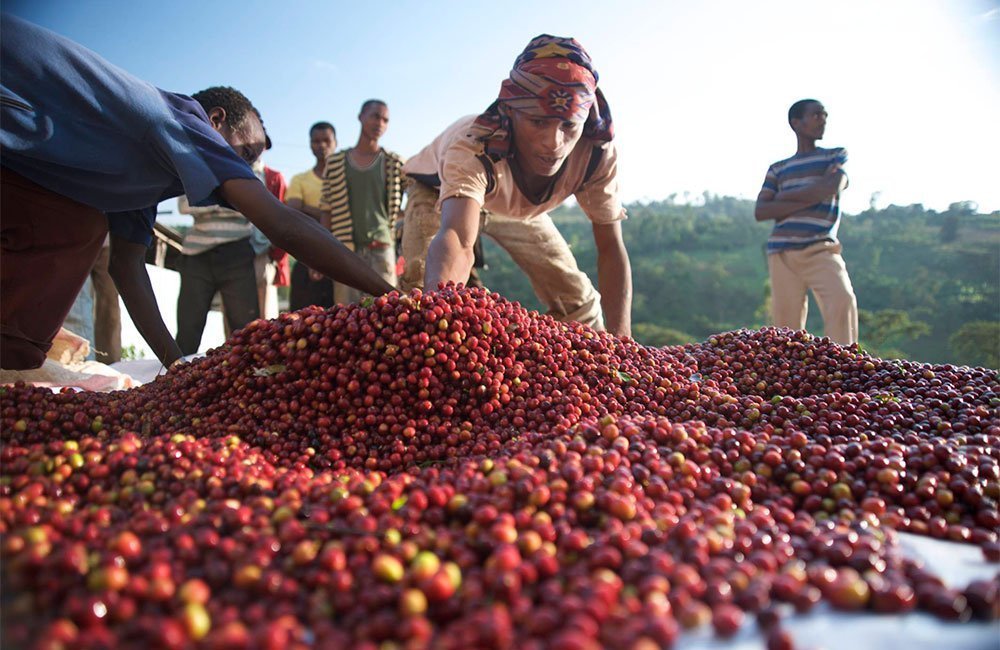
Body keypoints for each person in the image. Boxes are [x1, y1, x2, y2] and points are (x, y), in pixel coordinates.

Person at [0, 15, 394, 370]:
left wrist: (175, 368)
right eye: (246, 153)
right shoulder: (181, 120)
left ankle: (12, 355)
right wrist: (392, 296)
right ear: (216, 122)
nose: (248, 169)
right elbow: (282, 224)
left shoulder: (142, 176)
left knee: (80, 226)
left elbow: (127, 266)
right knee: (73, 227)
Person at [400, 34, 633, 337]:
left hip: (514, 205)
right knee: (420, 296)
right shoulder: (475, 143)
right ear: (510, 110)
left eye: (568, 125)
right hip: (440, 194)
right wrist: (438, 322)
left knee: (577, 300)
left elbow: (611, 248)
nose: (553, 143)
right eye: (537, 122)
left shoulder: (595, 153)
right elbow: (457, 237)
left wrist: (622, 344)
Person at [754, 99, 858, 345]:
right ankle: (788, 376)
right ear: (796, 123)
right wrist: (814, 194)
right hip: (783, 252)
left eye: (824, 114)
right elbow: (761, 210)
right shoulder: (778, 168)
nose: (822, 119)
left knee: (842, 301)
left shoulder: (835, 155)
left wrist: (784, 199)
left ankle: (843, 367)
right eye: (816, 114)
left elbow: (833, 186)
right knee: (785, 325)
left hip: (820, 248)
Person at [320, 100, 405, 305]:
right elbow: (326, 210)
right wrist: (322, 253)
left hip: (382, 250)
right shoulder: (336, 162)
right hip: (345, 252)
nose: (380, 123)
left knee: (386, 314)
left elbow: (414, 198)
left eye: (385, 120)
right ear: (361, 116)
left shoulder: (393, 163)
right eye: (375, 116)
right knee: (345, 316)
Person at [285, 122, 338, 311]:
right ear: (310, 144)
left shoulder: (344, 179)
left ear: (335, 143)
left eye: (326, 140)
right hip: (307, 257)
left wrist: (311, 211)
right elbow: (293, 214)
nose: (321, 145)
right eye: (316, 141)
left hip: (341, 258)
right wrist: (330, 212)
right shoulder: (300, 179)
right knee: (302, 319)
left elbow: (302, 211)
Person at [63, 236, 122, 364]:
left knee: (110, 311)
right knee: (78, 304)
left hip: (109, 240)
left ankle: (110, 366)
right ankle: (82, 363)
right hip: (80, 238)